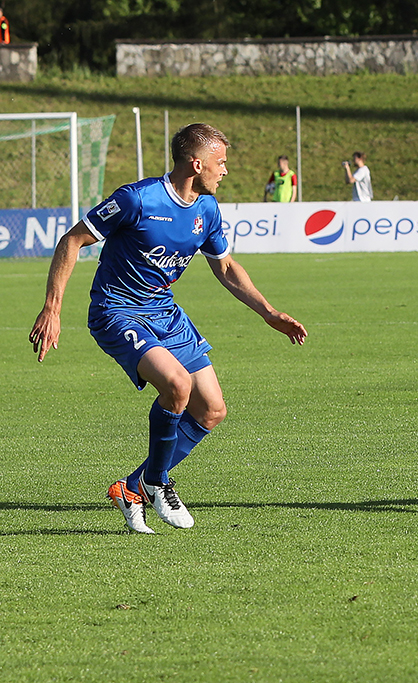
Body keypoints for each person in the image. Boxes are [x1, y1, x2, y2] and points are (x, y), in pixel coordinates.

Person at [29, 123, 308, 533]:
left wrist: (268, 312)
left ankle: (132, 487)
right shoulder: (137, 199)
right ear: (196, 164)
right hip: (117, 311)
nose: (225, 170)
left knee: (211, 410)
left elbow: (226, 267)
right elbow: (72, 240)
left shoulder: (207, 209)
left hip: (165, 313)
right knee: (177, 386)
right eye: (220, 162)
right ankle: (157, 482)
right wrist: (52, 309)